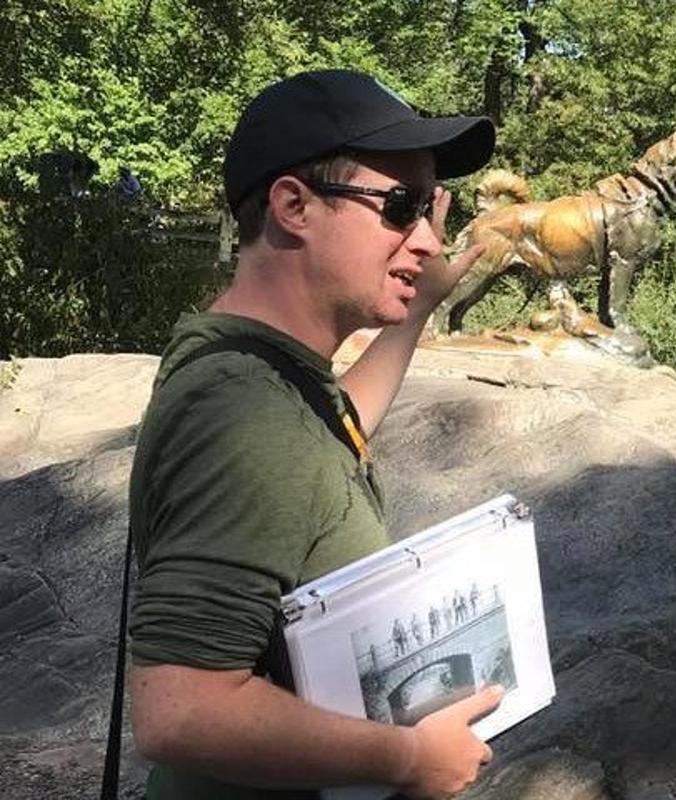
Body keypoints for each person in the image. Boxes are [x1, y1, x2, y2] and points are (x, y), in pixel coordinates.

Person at [127, 69, 502, 800]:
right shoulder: (243, 412)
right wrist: (407, 759)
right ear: (293, 206)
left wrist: (417, 312)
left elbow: (324, 440)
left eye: (429, 210)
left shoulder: (261, 371)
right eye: (400, 207)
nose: (429, 240)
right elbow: (179, 710)